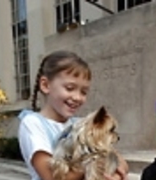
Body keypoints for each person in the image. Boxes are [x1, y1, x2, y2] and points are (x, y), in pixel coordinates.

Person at [18, 50, 128, 180]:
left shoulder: (80, 124)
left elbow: (120, 162)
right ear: (45, 85)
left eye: (84, 92)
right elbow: (53, 176)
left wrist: (115, 175)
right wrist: (93, 163)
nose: (77, 97)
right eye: (70, 88)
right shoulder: (33, 123)